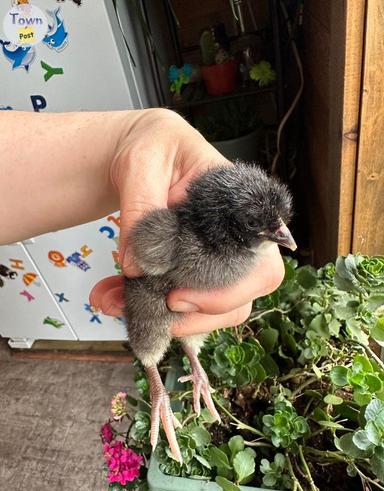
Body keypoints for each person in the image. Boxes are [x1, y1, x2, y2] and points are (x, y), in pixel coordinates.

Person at [0, 108, 285, 335]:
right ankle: (155, 377)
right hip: (152, 298)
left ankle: (191, 363)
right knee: (155, 327)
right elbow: (147, 256)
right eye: (252, 223)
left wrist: (136, 134)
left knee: (186, 324)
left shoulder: (231, 252)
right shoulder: (170, 236)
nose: (283, 234)